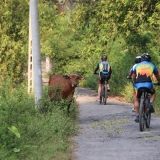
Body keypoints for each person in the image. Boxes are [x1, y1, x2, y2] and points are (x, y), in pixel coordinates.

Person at [132, 53, 160, 122]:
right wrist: (159, 81)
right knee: (153, 92)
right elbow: (157, 76)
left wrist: (135, 82)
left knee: (136, 98)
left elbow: (133, 76)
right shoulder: (152, 65)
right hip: (148, 84)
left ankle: (137, 116)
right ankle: (150, 104)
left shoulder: (137, 65)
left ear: (141, 59)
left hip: (138, 85)